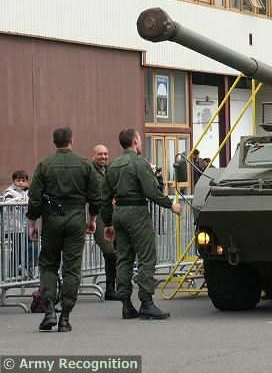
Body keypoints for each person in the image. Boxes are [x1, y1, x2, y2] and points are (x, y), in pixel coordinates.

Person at [101, 129, 181, 320]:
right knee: (146, 257)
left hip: (118, 213)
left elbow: (104, 197)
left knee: (124, 258)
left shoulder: (113, 166)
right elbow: (151, 191)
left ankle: (126, 304)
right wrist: (171, 205)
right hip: (136, 212)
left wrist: (108, 223)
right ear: (136, 141)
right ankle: (146, 302)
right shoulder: (139, 163)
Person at [27, 127, 100, 332]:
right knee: (72, 267)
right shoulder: (85, 165)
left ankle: (49, 309)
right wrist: (91, 219)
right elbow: (96, 197)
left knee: (48, 263)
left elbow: (34, 197)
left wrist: (33, 223)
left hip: (51, 219)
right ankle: (65, 317)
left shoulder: (44, 165)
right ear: (71, 141)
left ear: (54, 142)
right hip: (76, 218)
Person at [91, 144, 119, 301]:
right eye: (100, 154)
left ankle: (111, 288)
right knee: (109, 250)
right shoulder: (90, 171)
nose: (104, 157)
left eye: (106, 154)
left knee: (113, 252)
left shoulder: (109, 171)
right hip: (94, 214)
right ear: (93, 156)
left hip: (109, 214)